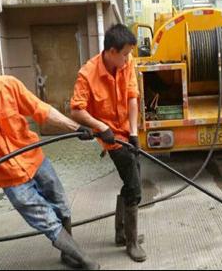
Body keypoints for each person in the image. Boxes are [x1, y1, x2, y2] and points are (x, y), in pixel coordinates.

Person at [0, 75, 100, 270]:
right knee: (45, 218)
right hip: (7, 175)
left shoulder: (7, 85)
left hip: (34, 158)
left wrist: (76, 127)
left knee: (61, 203)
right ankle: (83, 258)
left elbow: (41, 109)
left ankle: (67, 254)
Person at [70, 23, 146, 262]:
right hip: (111, 138)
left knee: (133, 176)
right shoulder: (88, 74)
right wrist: (102, 128)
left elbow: (133, 97)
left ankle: (121, 233)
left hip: (127, 133)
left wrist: (133, 132)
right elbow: (76, 110)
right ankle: (130, 243)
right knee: (134, 186)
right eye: (124, 54)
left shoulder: (127, 63)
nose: (128, 58)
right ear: (111, 52)